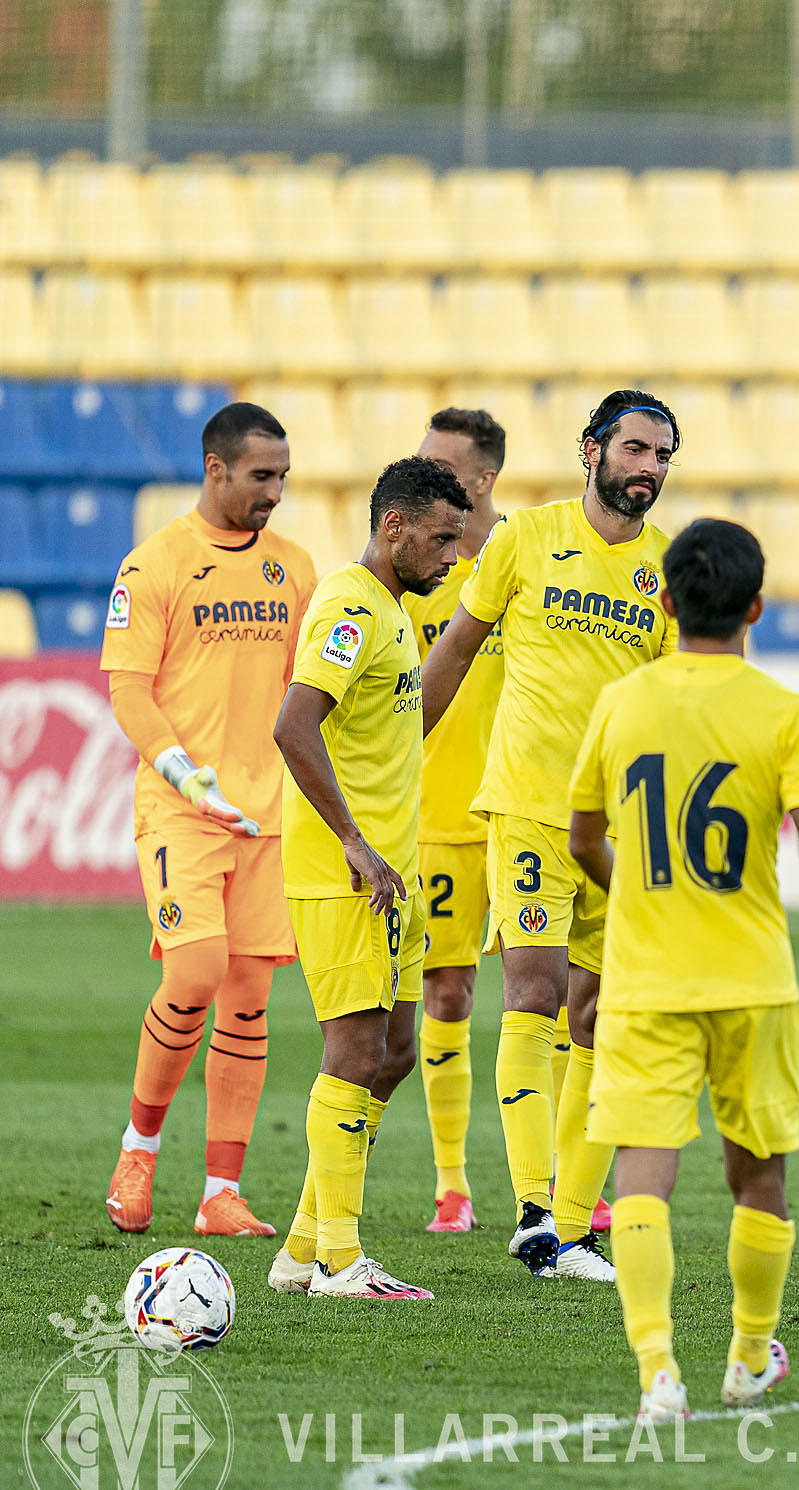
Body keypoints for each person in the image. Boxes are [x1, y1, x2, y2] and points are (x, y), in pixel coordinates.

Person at [569, 517, 799, 1421]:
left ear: (663, 601)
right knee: (760, 1175)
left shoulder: (622, 704)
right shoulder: (786, 712)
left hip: (645, 978)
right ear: (756, 607)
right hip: (753, 979)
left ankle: (658, 1367)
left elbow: (585, 834)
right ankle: (746, 1353)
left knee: (642, 1171)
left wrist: (635, 894)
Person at [420, 390, 681, 1281]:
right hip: (531, 805)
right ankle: (535, 1209)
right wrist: (401, 747)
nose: (648, 468)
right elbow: (455, 648)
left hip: (622, 828)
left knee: (598, 1013)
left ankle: (571, 1224)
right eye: (637, 449)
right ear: (592, 449)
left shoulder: (668, 572)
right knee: (531, 991)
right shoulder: (523, 539)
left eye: (662, 457)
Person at [101, 402, 318, 1239]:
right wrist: (184, 774)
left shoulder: (295, 568)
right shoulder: (155, 564)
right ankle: (140, 1145)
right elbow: (127, 687)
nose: (274, 492)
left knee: (250, 1003)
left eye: (283, 478)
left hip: (266, 814)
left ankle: (219, 1190)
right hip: (181, 808)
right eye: (262, 476)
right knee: (193, 975)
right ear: (216, 468)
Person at [265, 459, 469, 1298]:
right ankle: (342, 1260)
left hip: (396, 874)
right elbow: (293, 724)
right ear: (395, 527)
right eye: (442, 537)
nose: (453, 555)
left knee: (392, 1052)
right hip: (349, 872)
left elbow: (403, 717)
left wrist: (474, 630)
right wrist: (352, 839)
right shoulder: (351, 603)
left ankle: (302, 1248)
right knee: (353, 1051)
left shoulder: (391, 610)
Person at [407, 407, 507, 1233]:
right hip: (438, 817)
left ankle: (565, 1182)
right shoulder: (412, 573)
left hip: (530, 812)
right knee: (447, 991)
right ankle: (452, 1184)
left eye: (440, 461)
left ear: (483, 479)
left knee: (566, 996)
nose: (424, 469)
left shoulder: (534, 560)